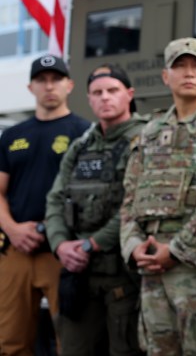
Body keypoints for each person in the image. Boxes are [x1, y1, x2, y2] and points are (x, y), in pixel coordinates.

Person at [119, 37, 196, 354]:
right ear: (166, 76)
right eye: (180, 66)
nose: (188, 72)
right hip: (152, 269)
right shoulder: (150, 131)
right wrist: (133, 247)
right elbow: (130, 198)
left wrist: (176, 251)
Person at [45, 64, 147, 356]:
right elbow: (55, 199)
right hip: (80, 275)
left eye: (112, 90)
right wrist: (60, 245)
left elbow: (136, 204)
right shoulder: (80, 147)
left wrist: (94, 243)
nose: (105, 97)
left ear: (129, 94)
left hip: (124, 275)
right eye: (97, 92)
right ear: (88, 98)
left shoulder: (146, 139)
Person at [0, 55, 90, 355]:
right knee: (10, 341)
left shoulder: (84, 133)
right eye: (41, 80)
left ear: (69, 85)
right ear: (31, 87)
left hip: (62, 250)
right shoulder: (12, 136)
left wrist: (56, 232)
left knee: (71, 340)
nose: (49, 86)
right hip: (16, 249)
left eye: (56, 79)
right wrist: (12, 230)